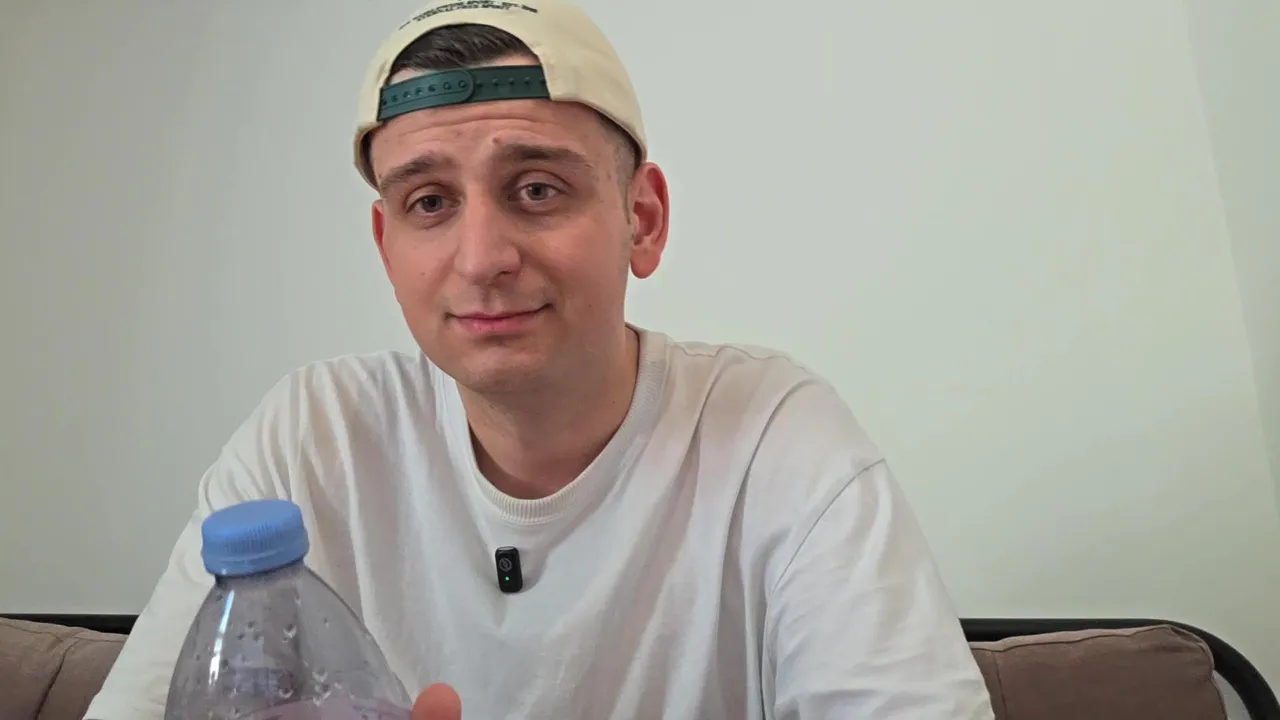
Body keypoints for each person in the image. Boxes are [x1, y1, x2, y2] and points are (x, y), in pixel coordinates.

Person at [85, 0, 996, 718]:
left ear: (643, 220)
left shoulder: (776, 442)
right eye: (429, 202)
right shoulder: (310, 441)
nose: (482, 258)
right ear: (386, 246)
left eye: (536, 189)